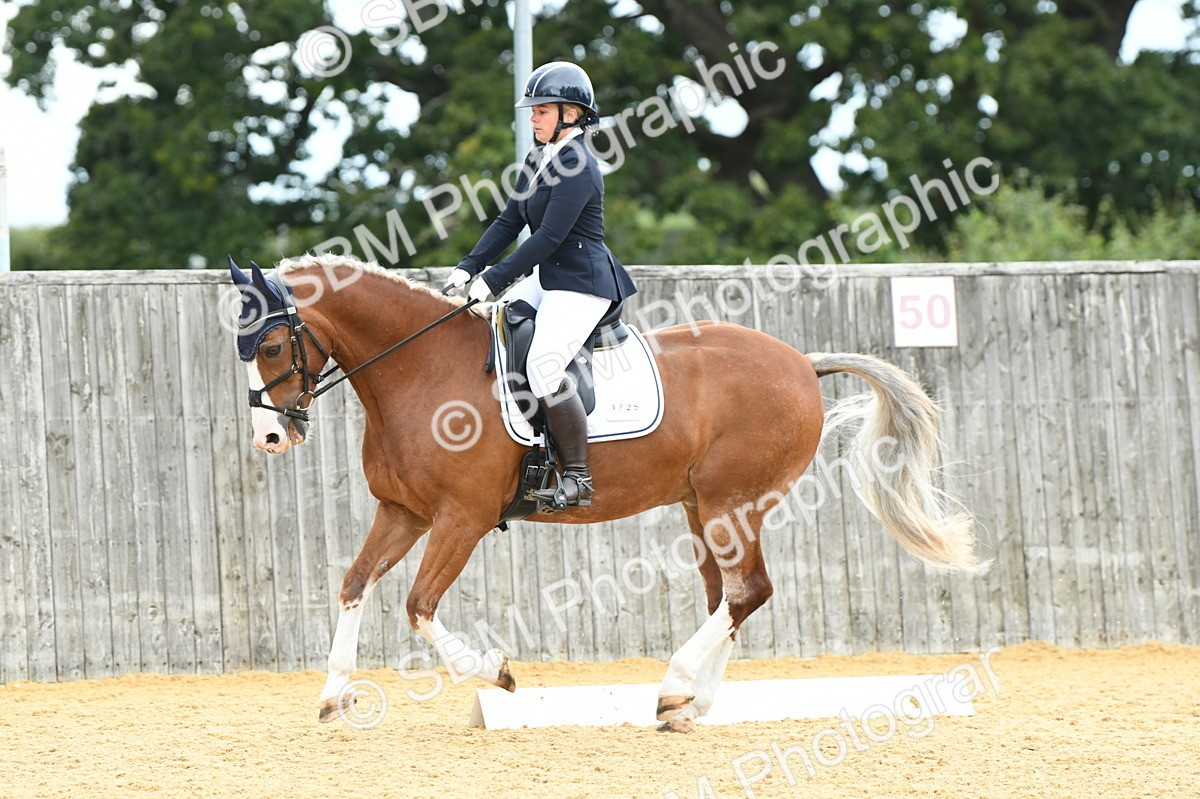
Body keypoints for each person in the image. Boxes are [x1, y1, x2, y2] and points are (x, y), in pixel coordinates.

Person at [444, 61, 637, 507]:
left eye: (542, 111)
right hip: (546, 276)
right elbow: (509, 220)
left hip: (580, 282)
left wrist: (492, 279)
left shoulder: (580, 165)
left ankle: (578, 476)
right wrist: (467, 267)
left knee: (544, 367)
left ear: (572, 114)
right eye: (532, 111)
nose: (532, 118)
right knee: (492, 323)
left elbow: (550, 237)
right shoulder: (537, 158)